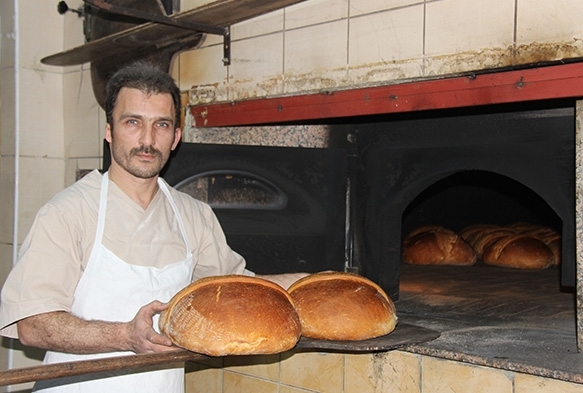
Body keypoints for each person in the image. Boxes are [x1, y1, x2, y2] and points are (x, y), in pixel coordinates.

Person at [0, 61, 307, 392]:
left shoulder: (194, 216)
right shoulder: (68, 213)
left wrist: (313, 283)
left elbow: (240, 290)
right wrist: (125, 335)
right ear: (109, 131)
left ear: (175, 137)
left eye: (161, 125)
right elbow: (33, 324)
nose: (147, 140)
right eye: (133, 122)